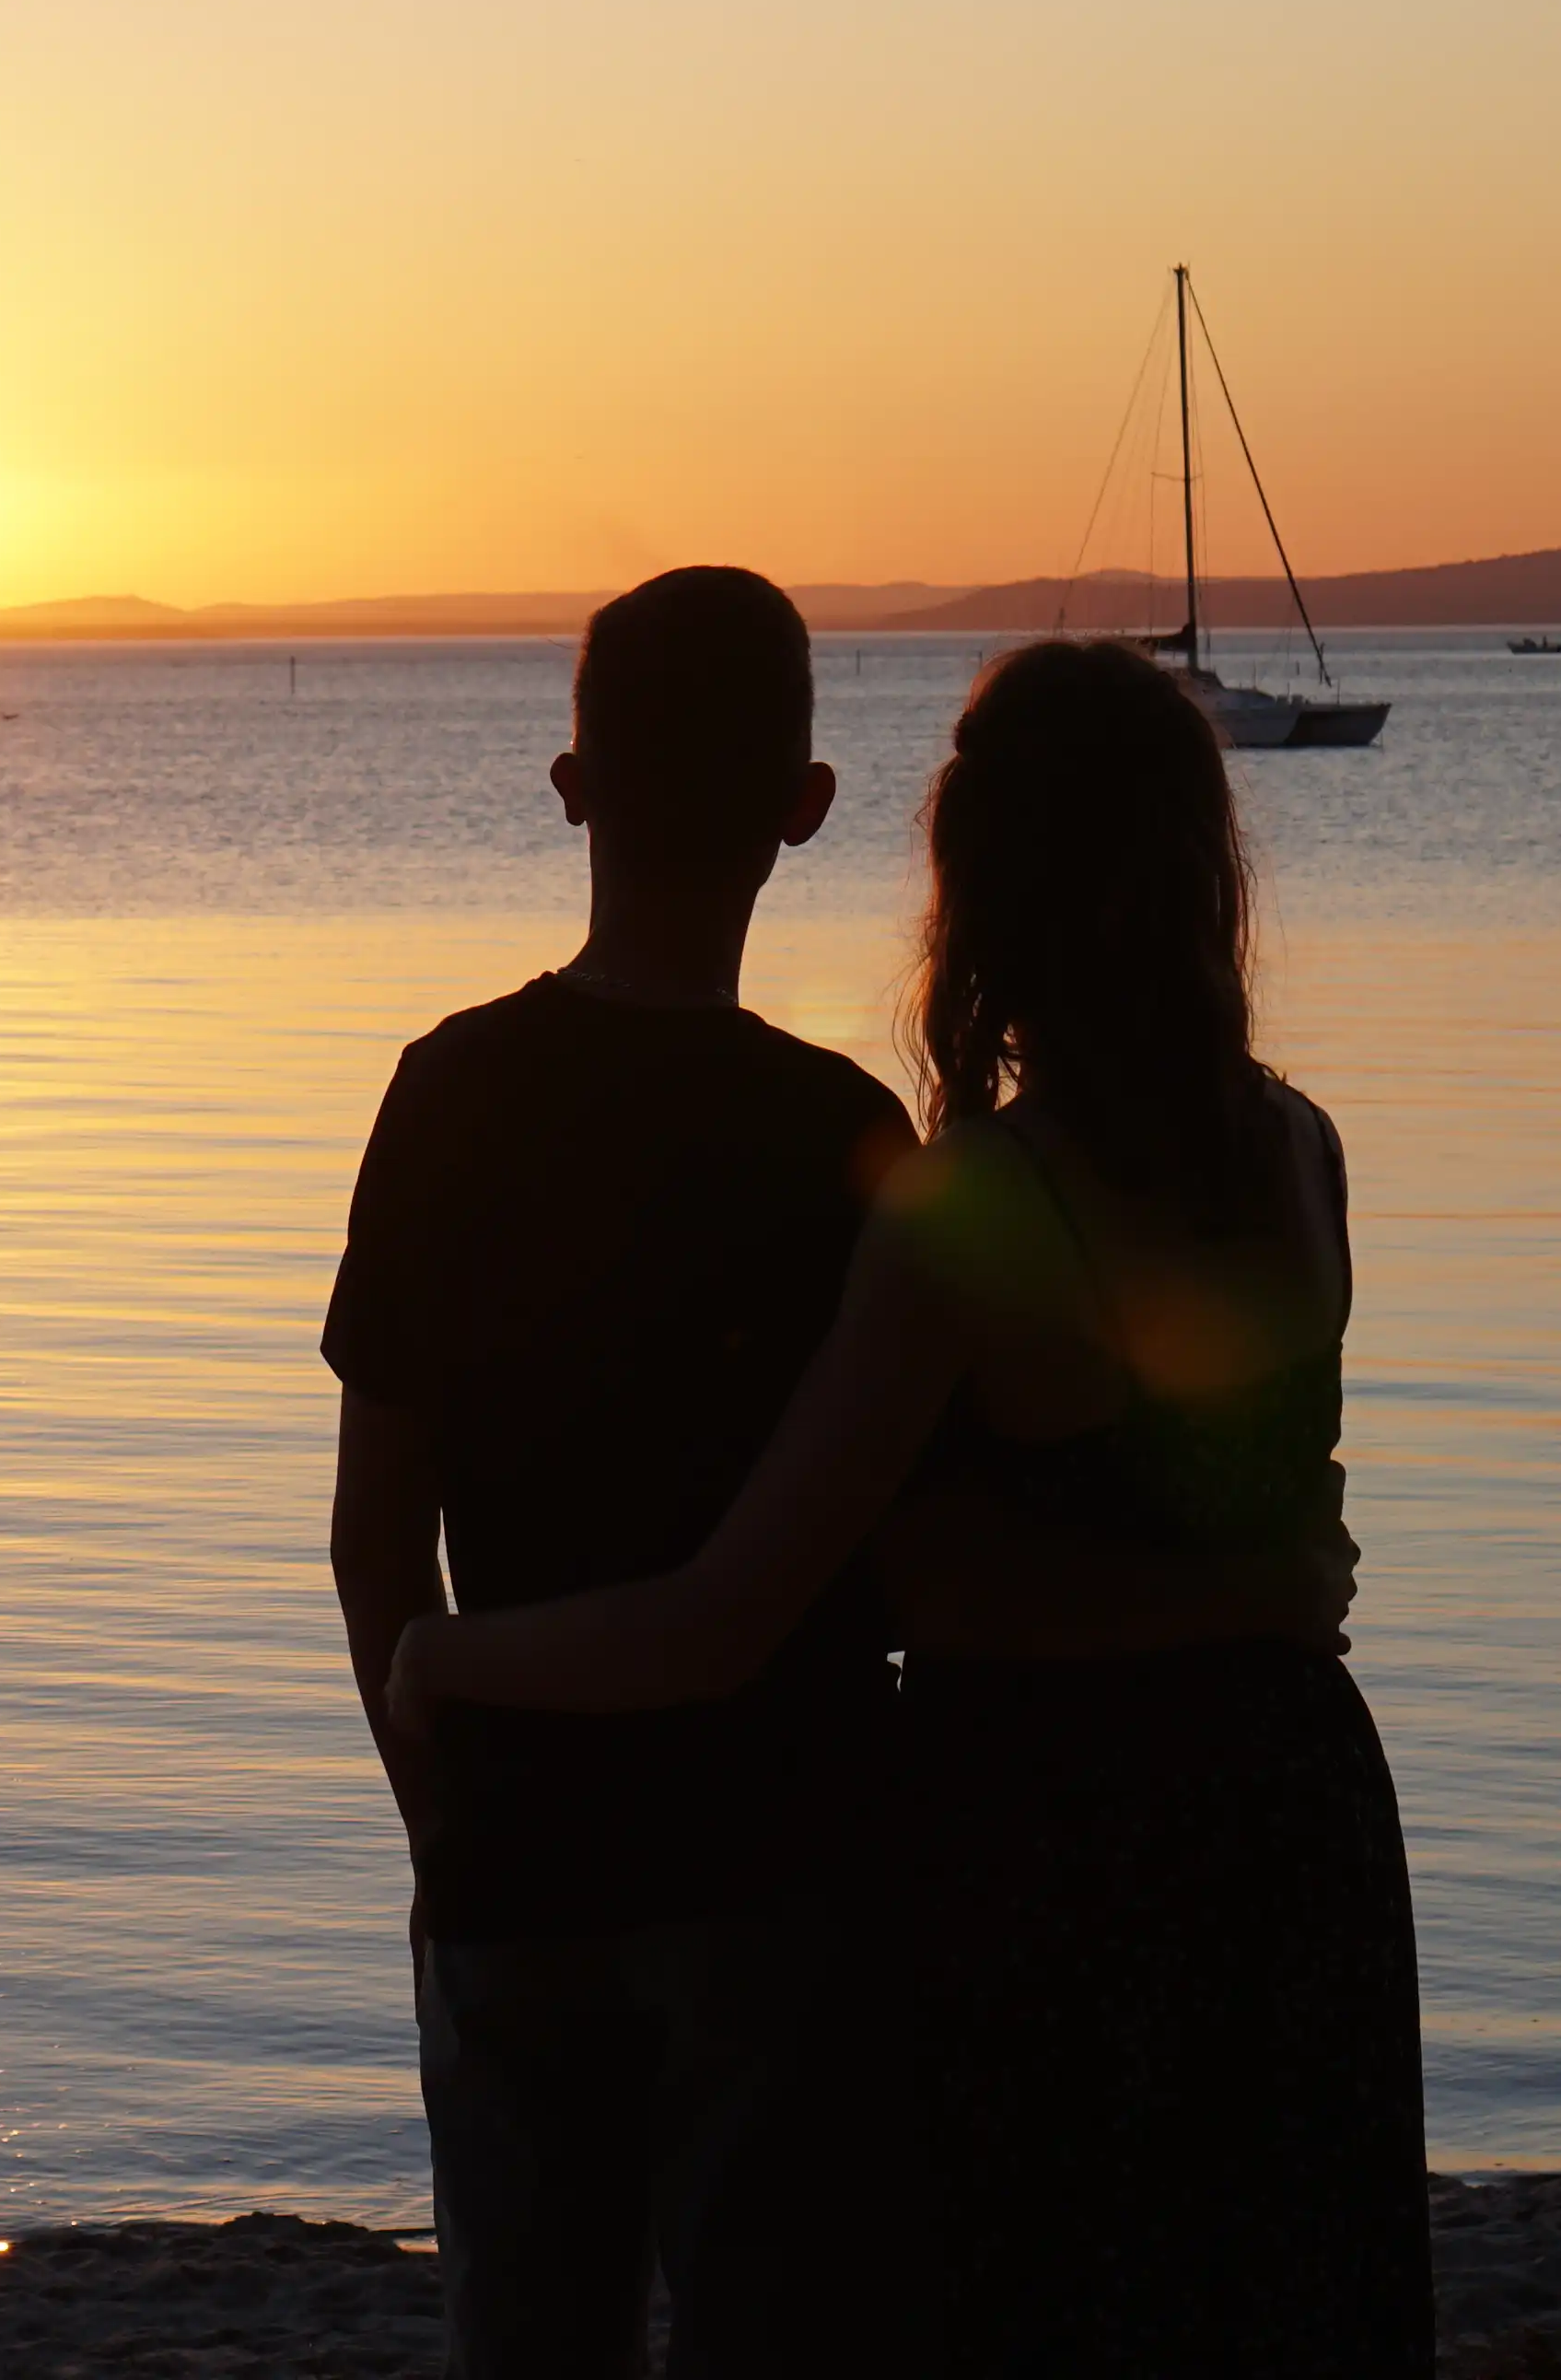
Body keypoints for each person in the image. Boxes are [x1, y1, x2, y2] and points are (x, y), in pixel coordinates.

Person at [392, 636, 1425, 2377]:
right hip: (1299, 1815)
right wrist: (1252, 1600)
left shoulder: (982, 1204)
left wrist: (449, 1660)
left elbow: (743, 1611)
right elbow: (1259, 1553)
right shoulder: (1303, 1148)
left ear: (981, 884)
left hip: (1053, 1854)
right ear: (1203, 868)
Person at [322, 566, 916, 2376]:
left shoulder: (448, 1092)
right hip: (780, 1854)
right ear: (805, 807)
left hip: (519, 1840)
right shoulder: (847, 1136)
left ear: (572, 783)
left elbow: (372, 1534)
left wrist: (434, 1798)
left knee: (531, 2329)